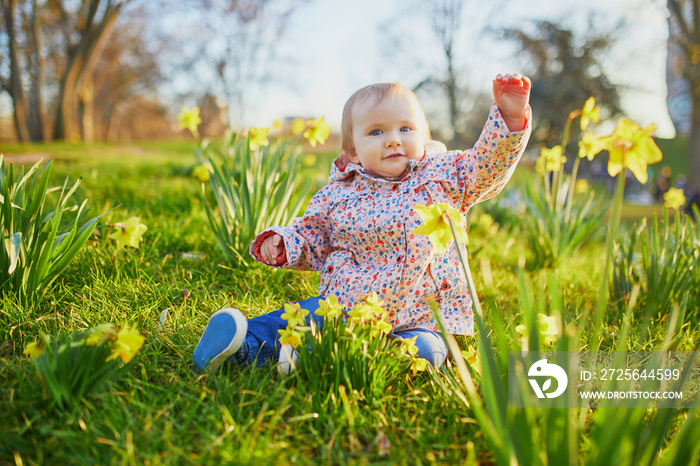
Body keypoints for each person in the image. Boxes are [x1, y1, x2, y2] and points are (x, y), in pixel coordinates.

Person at [193, 73, 532, 373]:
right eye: (376, 131)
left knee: (426, 353)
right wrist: (285, 242)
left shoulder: (444, 176)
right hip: (346, 307)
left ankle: (316, 355)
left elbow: (487, 165)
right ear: (353, 151)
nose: (393, 139)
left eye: (405, 128)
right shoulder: (338, 195)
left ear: (424, 136)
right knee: (302, 316)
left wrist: (509, 117)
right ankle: (241, 345)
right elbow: (313, 236)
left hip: (420, 319)